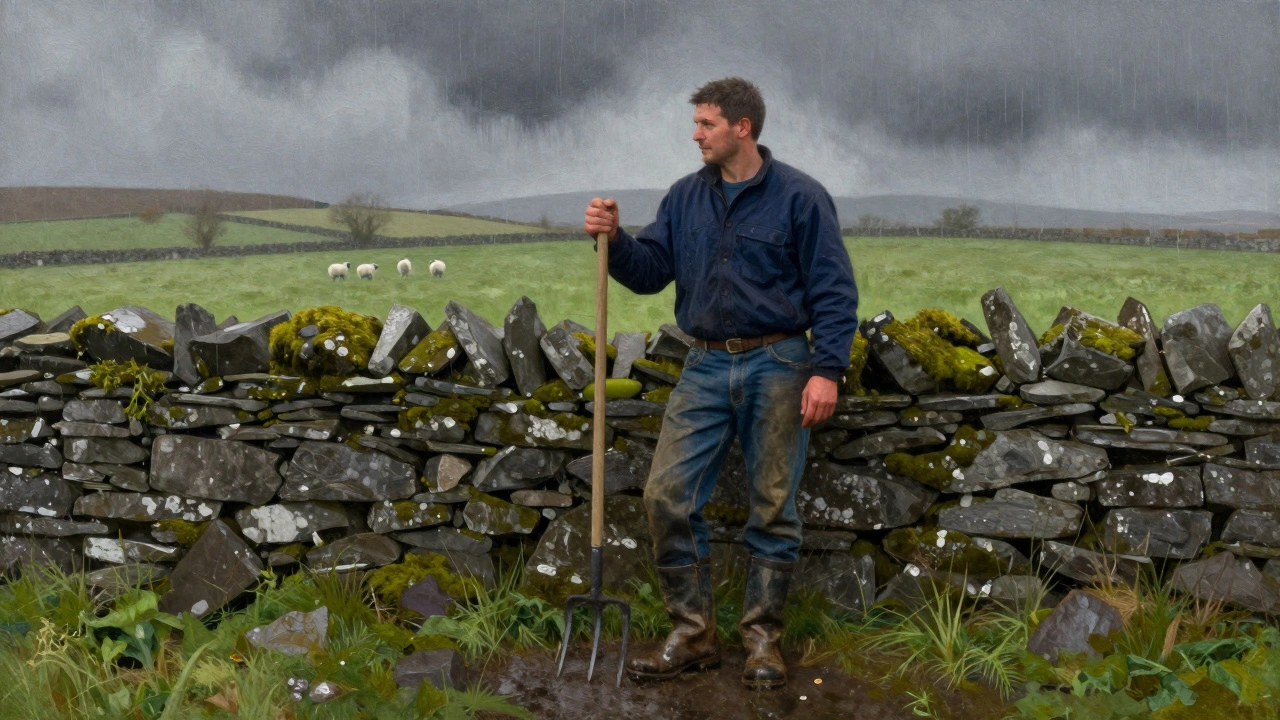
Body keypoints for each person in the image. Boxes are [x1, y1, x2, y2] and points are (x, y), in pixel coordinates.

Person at [583, 77, 859, 690]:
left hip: (781, 363)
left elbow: (835, 291)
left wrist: (827, 369)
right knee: (665, 495)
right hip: (704, 363)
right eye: (696, 123)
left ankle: (762, 641)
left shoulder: (801, 198)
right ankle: (692, 634)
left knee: (772, 507)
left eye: (706, 124)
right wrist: (615, 239)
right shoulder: (684, 198)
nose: (695, 134)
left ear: (743, 127)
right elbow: (651, 272)